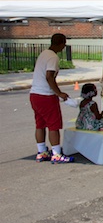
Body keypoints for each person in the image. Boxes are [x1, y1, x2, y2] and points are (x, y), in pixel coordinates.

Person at [30, 33, 74, 163]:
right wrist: (59, 93)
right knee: (53, 125)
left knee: (40, 124)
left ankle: (41, 151)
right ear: (61, 44)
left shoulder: (43, 54)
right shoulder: (53, 57)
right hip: (46, 96)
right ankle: (56, 154)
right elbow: (49, 76)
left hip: (34, 94)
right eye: (64, 44)